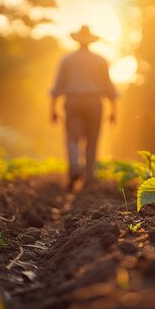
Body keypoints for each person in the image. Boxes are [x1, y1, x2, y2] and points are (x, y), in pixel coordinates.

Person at [50, 25, 118, 191]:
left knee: (72, 136)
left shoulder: (67, 60)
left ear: (77, 41)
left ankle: (74, 167)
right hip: (94, 103)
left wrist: (52, 109)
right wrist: (114, 111)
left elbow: (57, 87)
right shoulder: (100, 60)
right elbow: (109, 88)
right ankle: (89, 177)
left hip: (72, 101)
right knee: (92, 139)